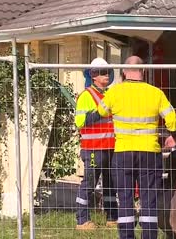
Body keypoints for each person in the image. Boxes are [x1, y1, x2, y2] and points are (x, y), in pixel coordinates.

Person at [97, 56, 176, 239]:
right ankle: (149, 235)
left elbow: (102, 111)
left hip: (123, 152)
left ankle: (127, 236)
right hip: (149, 152)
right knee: (149, 198)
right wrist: (173, 135)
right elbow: (172, 120)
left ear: (124, 71)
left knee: (125, 198)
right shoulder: (156, 93)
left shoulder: (115, 92)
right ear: (144, 71)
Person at [74, 57, 118, 230]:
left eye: (107, 72)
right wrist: (100, 112)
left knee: (110, 182)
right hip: (93, 148)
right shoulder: (86, 96)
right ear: (93, 75)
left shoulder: (108, 95)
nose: (106, 75)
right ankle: (82, 220)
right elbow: (80, 121)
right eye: (102, 72)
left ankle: (112, 217)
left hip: (110, 147)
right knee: (90, 183)